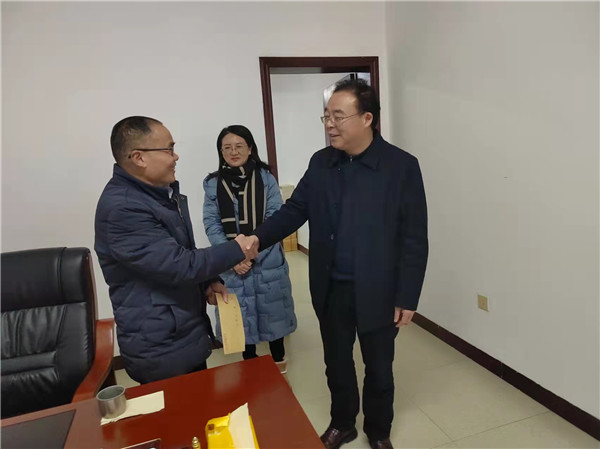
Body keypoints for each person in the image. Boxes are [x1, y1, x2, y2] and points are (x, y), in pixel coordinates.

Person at [248, 79, 428, 449]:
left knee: (379, 367)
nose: (330, 124)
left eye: (338, 116)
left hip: (379, 290)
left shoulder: (401, 167)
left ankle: (378, 430)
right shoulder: (321, 162)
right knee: (337, 363)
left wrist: (407, 296)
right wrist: (255, 238)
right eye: (326, 116)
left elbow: (414, 238)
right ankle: (342, 423)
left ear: (367, 118)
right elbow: (295, 210)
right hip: (331, 287)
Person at [95, 116, 257, 384]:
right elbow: (180, 265)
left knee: (201, 404)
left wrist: (208, 281)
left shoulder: (157, 194)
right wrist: (237, 249)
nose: (176, 156)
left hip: (181, 330)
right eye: (168, 149)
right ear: (139, 157)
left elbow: (175, 252)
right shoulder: (123, 208)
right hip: (161, 343)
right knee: (180, 409)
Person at [203, 125, 296, 373]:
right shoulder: (213, 184)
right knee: (242, 322)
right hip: (232, 264)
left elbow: (275, 218)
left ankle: (279, 365)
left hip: (267, 259)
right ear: (221, 152)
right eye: (227, 147)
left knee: (274, 316)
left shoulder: (266, 178)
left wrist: (252, 253)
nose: (233, 152)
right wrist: (233, 257)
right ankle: (252, 369)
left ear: (250, 148)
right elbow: (211, 223)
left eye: (239, 146)